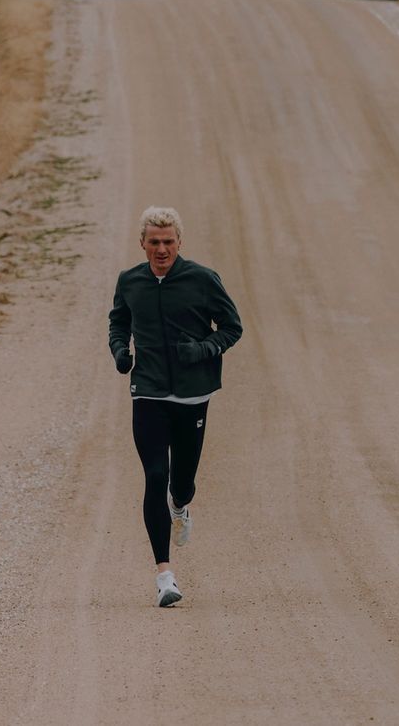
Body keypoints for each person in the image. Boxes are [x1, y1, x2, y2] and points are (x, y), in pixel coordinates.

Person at [108, 206, 243, 607]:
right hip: (148, 392)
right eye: (154, 242)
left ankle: (180, 506)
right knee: (155, 474)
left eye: (168, 242)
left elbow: (232, 327)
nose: (161, 249)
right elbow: (118, 322)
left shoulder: (202, 279)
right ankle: (165, 577)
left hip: (192, 395)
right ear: (143, 244)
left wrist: (202, 349)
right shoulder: (130, 281)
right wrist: (119, 350)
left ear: (179, 243)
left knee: (180, 483)